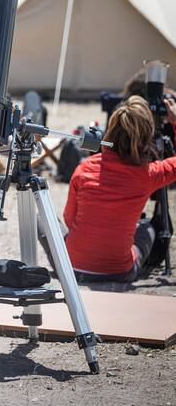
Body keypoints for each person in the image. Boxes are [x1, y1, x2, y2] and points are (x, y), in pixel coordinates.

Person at [61, 95, 176, 282]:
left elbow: (69, 219)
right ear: (147, 136)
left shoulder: (84, 168)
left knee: (44, 220)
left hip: (72, 267)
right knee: (147, 228)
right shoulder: (148, 174)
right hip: (120, 272)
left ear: (110, 131)